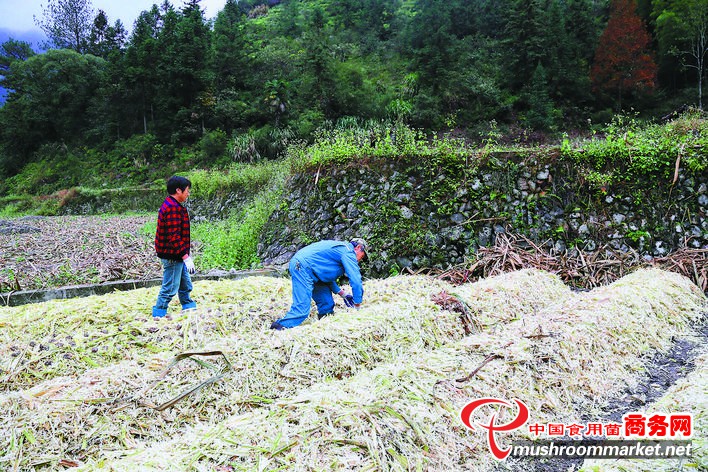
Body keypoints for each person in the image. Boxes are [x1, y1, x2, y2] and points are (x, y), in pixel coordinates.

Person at [270, 238, 368, 330]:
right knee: (302, 309)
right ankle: (278, 328)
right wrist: (357, 306)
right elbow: (356, 280)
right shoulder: (348, 252)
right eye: (362, 256)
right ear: (358, 247)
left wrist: (343, 294)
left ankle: (324, 328)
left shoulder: (340, 250)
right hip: (302, 267)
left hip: (313, 272)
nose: (360, 260)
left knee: (327, 304)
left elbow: (325, 276)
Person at [152, 175, 197, 318]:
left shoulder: (174, 205)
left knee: (185, 283)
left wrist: (184, 256)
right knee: (170, 286)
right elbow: (174, 236)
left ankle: (188, 305)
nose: (188, 193)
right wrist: (186, 257)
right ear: (178, 190)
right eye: (187, 190)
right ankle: (159, 312)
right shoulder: (172, 208)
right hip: (172, 254)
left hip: (176, 254)